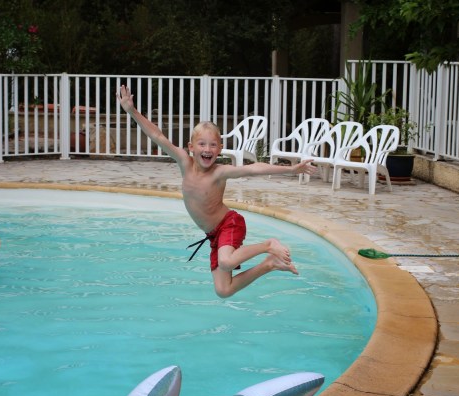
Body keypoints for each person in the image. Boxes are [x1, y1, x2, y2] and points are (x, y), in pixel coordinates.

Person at [117, 85, 317, 298]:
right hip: (213, 234)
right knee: (223, 290)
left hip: (229, 224)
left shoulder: (219, 173)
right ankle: (269, 264)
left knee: (226, 261)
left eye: (213, 145)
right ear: (191, 147)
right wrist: (132, 111)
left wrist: (291, 170)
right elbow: (157, 135)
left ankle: (269, 245)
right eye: (202, 144)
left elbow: (253, 168)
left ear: (220, 149)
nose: (207, 149)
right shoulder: (184, 162)